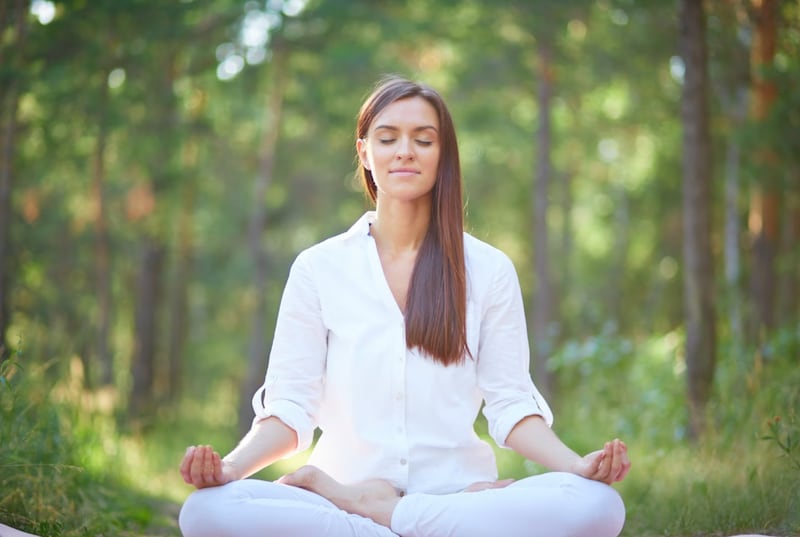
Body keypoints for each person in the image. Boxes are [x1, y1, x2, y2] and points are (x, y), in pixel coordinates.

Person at [178, 75, 630, 537]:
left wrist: (578, 464)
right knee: (205, 514)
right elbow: (291, 406)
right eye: (388, 138)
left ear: (443, 154)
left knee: (597, 506)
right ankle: (393, 520)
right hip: (340, 502)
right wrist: (231, 469)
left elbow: (511, 404)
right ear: (365, 153)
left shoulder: (488, 269)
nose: (405, 151)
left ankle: (389, 518)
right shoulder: (319, 268)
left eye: (423, 140)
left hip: (456, 495)